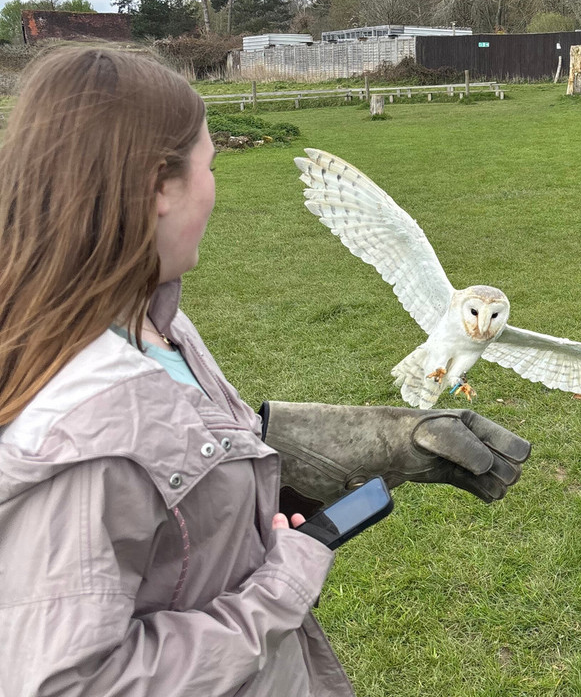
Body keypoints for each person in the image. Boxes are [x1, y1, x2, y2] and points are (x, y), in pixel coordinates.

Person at [0, 47, 531, 696]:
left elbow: (184, 465)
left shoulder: (153, 320)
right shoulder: (83, 428)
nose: (216, 190)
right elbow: (68, 684)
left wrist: (388, 444)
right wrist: (281, 583)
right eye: (210, 167)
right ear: (155, 187)